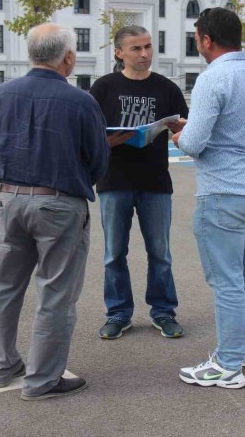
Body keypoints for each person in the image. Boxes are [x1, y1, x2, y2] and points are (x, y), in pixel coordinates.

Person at [0, 23, 110, 400]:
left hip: (9, 197)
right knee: (55, 292)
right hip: (59, 201)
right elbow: (98, 159)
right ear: (68, 57)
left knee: (6, 286)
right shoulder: (81, 101)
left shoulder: (3, 93)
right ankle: (42, 380)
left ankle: (1, 364)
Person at [171, 8, 245, 389]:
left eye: (197, 39)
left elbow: (194, 143)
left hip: (224, 191)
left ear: (206, 39)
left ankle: (227, 364)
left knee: (227, 281)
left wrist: (180, 135)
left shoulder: (212, 78)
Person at [88, 25, 189, 340]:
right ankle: (118, 313)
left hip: (155, 182)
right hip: (114, 181)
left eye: (148, 47)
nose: (145, 54)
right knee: (114, 253)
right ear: (119, 53)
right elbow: (88, 135)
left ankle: (163, 311)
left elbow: (184, 131)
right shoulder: (103, 88)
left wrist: (180, 129)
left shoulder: (167, 88)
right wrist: (108, 142)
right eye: (136, 48)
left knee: (160, 253)